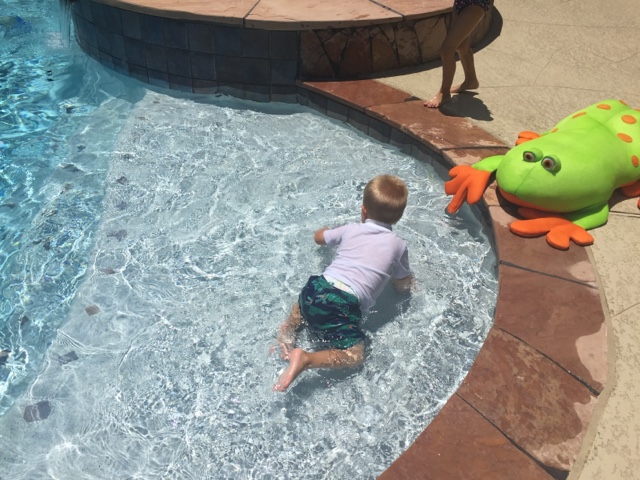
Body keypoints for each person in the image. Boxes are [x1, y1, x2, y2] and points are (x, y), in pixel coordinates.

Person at [273, 174, 413, 392]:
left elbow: (319, 238)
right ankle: (306, 359)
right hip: (344, 303)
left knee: (302, 308)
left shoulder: (351, 229)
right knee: (355, 356)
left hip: (316, 287)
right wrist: (408, 289)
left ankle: (287, 333)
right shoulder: (399, 245)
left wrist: (324, 229)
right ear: (399, 217)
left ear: (363, 210)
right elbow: (402, 283)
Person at [424, 0, 490, 108]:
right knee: (461, 45)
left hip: (475, 4)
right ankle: (471, 80)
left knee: (447, 49)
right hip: (460, 3)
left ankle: (444, 93)